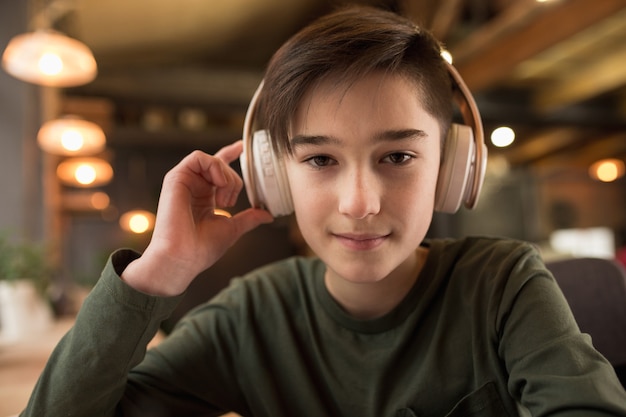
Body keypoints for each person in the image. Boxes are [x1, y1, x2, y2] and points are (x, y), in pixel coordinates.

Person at [21, 5, 626, 417]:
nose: (360, 203)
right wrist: (157, 273)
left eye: (396, 156)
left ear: (451, 165)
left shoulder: (504, 285)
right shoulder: (252, 316)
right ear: (272, 175)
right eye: (319, 161)